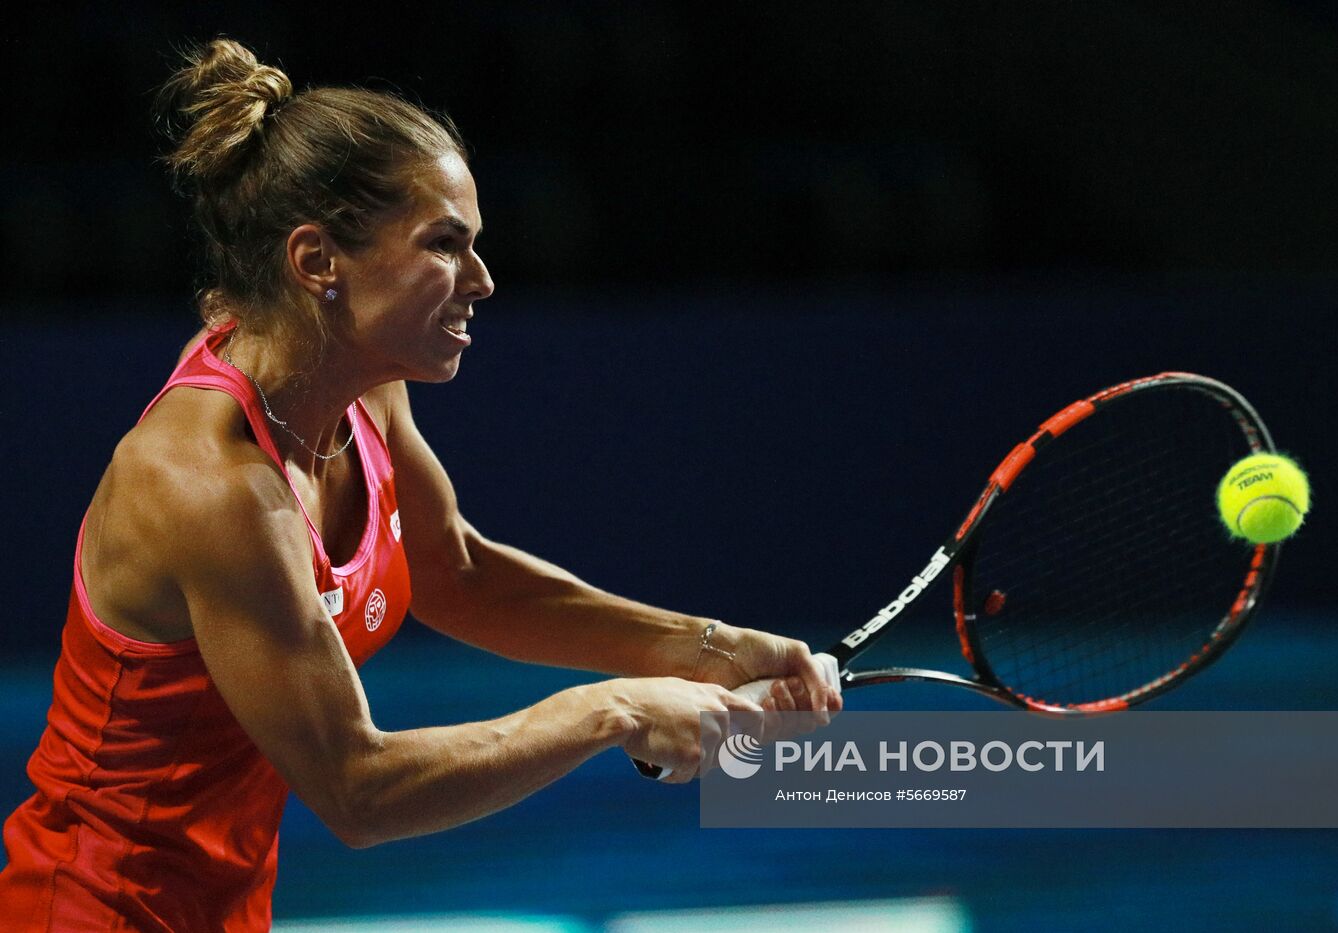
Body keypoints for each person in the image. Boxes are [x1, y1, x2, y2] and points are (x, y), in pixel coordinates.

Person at [0, 38, 840, 932]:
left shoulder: (361, 388)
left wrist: (707, 647)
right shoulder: (214, 486)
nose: (481, 280)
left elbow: (458, 573)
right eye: (444, 245)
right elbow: (358, 789)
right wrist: (616, 708)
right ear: (318, 261)